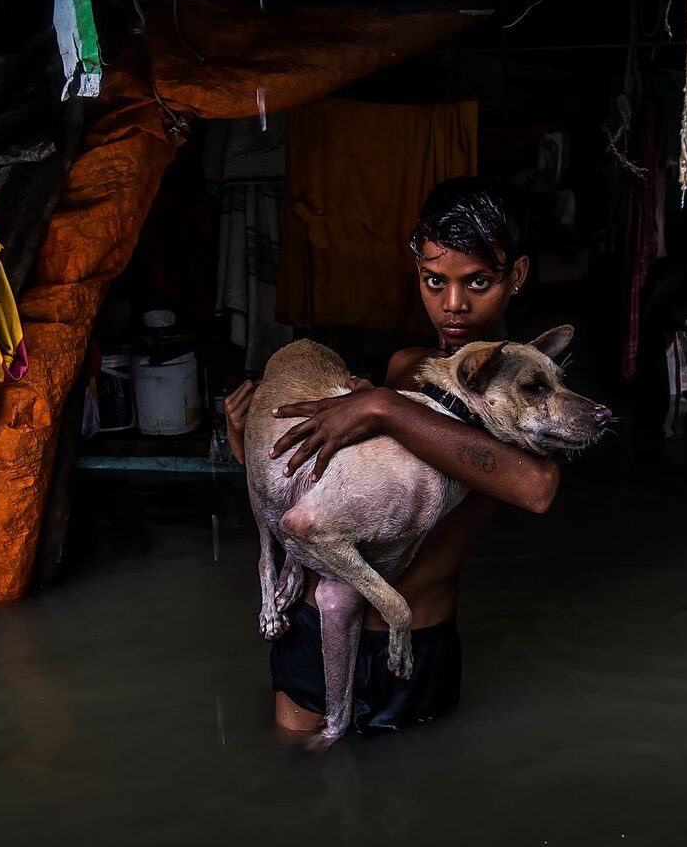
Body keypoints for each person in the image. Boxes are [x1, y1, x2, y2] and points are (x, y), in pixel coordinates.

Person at [224, 177, 565, 737]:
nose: (453, 305)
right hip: (314, 621)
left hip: (415, 641)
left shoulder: (529, 395)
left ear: (517, 277)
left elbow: (536, 487)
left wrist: (382, 408)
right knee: (297, 791)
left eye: (478, 281)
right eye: (436, 281)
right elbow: (324, 499)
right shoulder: (407, 365)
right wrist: (248, 440)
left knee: (406, 810)